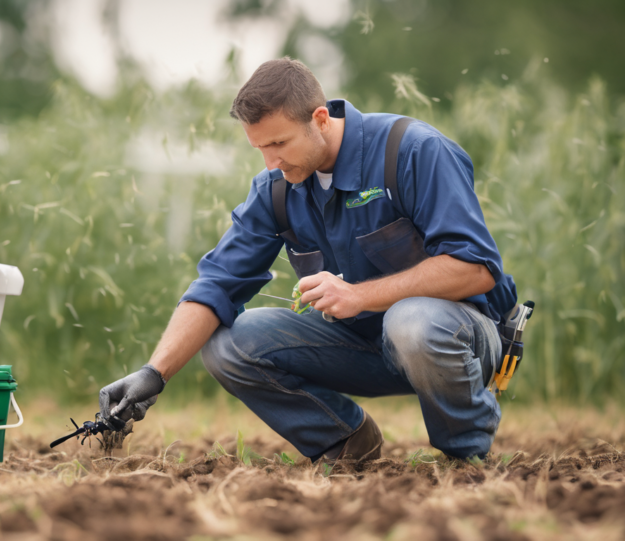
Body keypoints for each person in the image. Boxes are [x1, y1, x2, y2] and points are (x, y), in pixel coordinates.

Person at [99, 57, 517, 463]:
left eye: (279, 143)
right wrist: (154, 374)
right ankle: (346, 439)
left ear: (320, 119)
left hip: (454, 340)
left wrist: (357, 295)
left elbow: (475, 268)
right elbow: (216, 285)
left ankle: (467, 453)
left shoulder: (412, 150)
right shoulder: (275, 188)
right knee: (228, 343)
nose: (271, 162)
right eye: (259, 147)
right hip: (361, 348)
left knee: (410, 322)